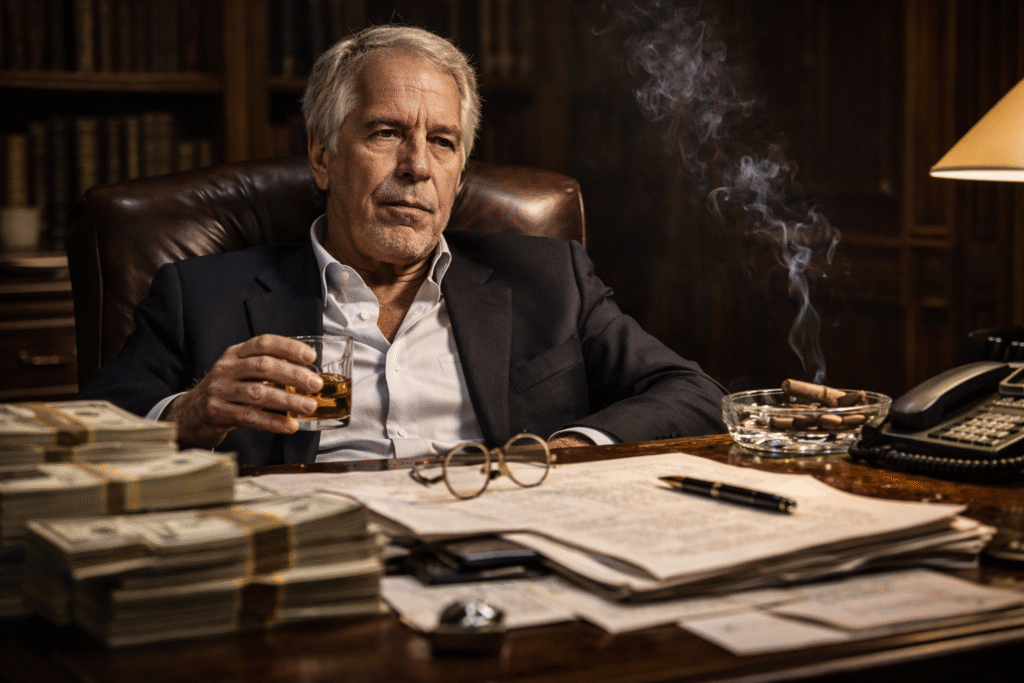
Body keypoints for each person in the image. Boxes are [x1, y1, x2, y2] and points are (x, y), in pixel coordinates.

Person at [78, 25, 727, 466]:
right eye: (387, 132)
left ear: (459, 169)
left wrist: (571, 449)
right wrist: (188, 413)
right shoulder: (201, 294)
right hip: (318, 570)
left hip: (502, 550)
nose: (417, 166)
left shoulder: (549, 279)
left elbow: (690, 392)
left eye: (442, 142)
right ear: (322, 154)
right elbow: (87, 427)